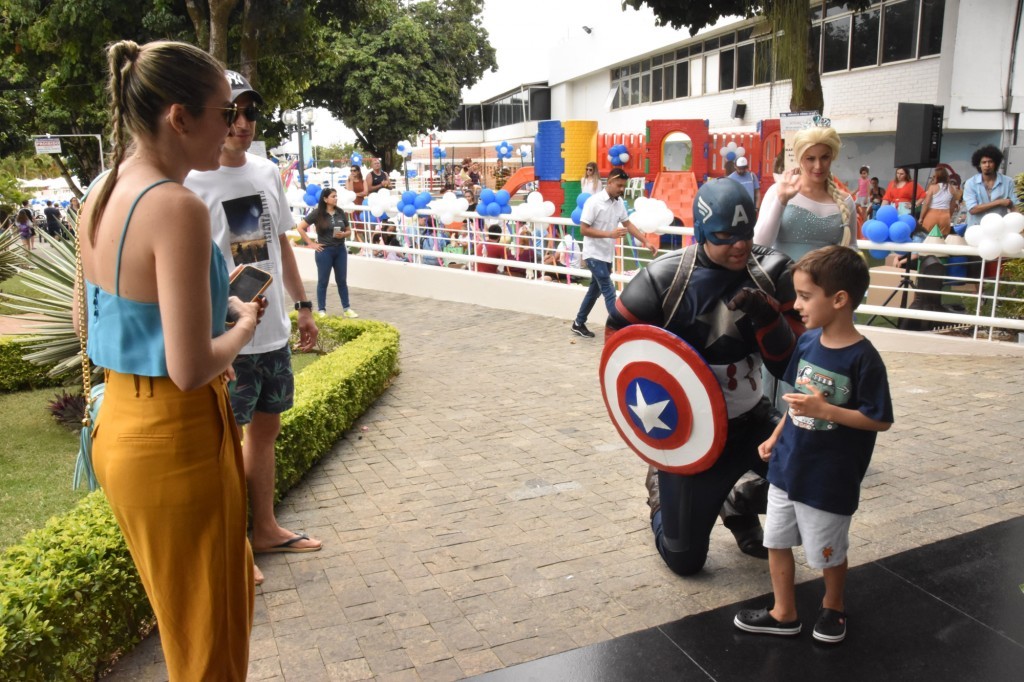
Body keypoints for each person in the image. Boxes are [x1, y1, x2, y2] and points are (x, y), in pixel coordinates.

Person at [79, 40, 264, 679]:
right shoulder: (176, 205)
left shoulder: (103, 190)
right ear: (179, 117)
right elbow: (189, 368)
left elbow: (93, 318)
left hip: (122, 427)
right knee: (209, 643)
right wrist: (239, 325)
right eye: (223, 113)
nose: (235, 126)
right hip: (177, 436)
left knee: (188, 622)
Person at [607, 179, 804, 575]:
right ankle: (664, 492)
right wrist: (662, 434)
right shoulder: (663, 279)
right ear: (701, 232)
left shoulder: (774, 271)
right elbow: (619, 347)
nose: (739, 245)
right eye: (724, 236)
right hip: (692, 435)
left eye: (745, 233)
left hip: (753, 422)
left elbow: (793, 368)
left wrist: (768, 320)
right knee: (684, 560)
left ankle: (739, 502)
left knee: (818, 478)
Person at [184, 69, 322, 591]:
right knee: (222, 445)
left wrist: (303, 305)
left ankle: (262, 530)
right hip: (229, 340)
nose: (242, 124)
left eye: (250, 114)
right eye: (232, 113)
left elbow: (275, 243)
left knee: (265, 432)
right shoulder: (189, 181)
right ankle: (232, 546)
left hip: (272, 333)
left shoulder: (265, 172)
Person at [734, 245, 893, 644]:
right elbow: (799, 401)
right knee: (777, 539)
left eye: (805, 297)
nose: (798, 305)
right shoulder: (806, 344)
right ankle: (783, 612)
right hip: (789, 465)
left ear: (839, 300)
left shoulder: (864, 359)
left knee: (828, 550)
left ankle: (833, 606)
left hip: (830, 477)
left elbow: (880, 419)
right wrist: (775, 436)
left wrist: (829, 412)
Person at [754, 125, 855, 263]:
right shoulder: (777, 191)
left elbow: (851, 248)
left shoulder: (846, 201)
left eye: (824, 157)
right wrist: (781, 201)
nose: (818, 166)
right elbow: (759, 244)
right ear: (800, 158)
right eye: (810, 159)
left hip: (825, 283)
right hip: (782, 280)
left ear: (833, 157)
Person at [571, 168, 652, 338]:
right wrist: (610, 234)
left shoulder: (619, 203)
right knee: (608, 289)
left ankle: (578, 322)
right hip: (593, 254)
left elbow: (628, 224)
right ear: (609, 183)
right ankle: (620, 328)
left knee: (594, 290)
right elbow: (584, 230)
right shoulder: (594, 202)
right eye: (619, 185)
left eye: (624, 186)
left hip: (606, 254)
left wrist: (645, 241)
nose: (622, 189)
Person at [295, 187, 358, 318]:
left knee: (342, 280)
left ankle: (347, 308)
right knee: (323, 281)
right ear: (325, 199)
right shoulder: (317, 213)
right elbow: (300, 227)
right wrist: (311, 243)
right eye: (333, 196)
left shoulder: (340, 212)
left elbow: (349, 230)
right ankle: (321, 309)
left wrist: (343, 235)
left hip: (340, 249)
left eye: (336, 196)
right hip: (324, 251)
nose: (336, 198)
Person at [963, 144, 1017, 226]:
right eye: (984, 162)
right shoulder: (971, 183)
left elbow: (1015, 206)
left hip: (999, 228)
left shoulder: (1008, 182)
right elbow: (972, 209)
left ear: (996, 163)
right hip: (976, 229)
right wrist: (999, 202)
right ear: (979, 164)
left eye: (990, 162)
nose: (987, 165)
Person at [918, 166, 963, 236]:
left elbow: (926, 204)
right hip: (945, 217)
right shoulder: (952, 189)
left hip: (932, 215)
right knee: (942, 240)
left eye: (934, 176)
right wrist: (949, 217)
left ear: (938, 177)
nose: (933, 178)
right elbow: (952, 206)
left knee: (927, 238)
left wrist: (921, 218)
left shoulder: (932, 187)